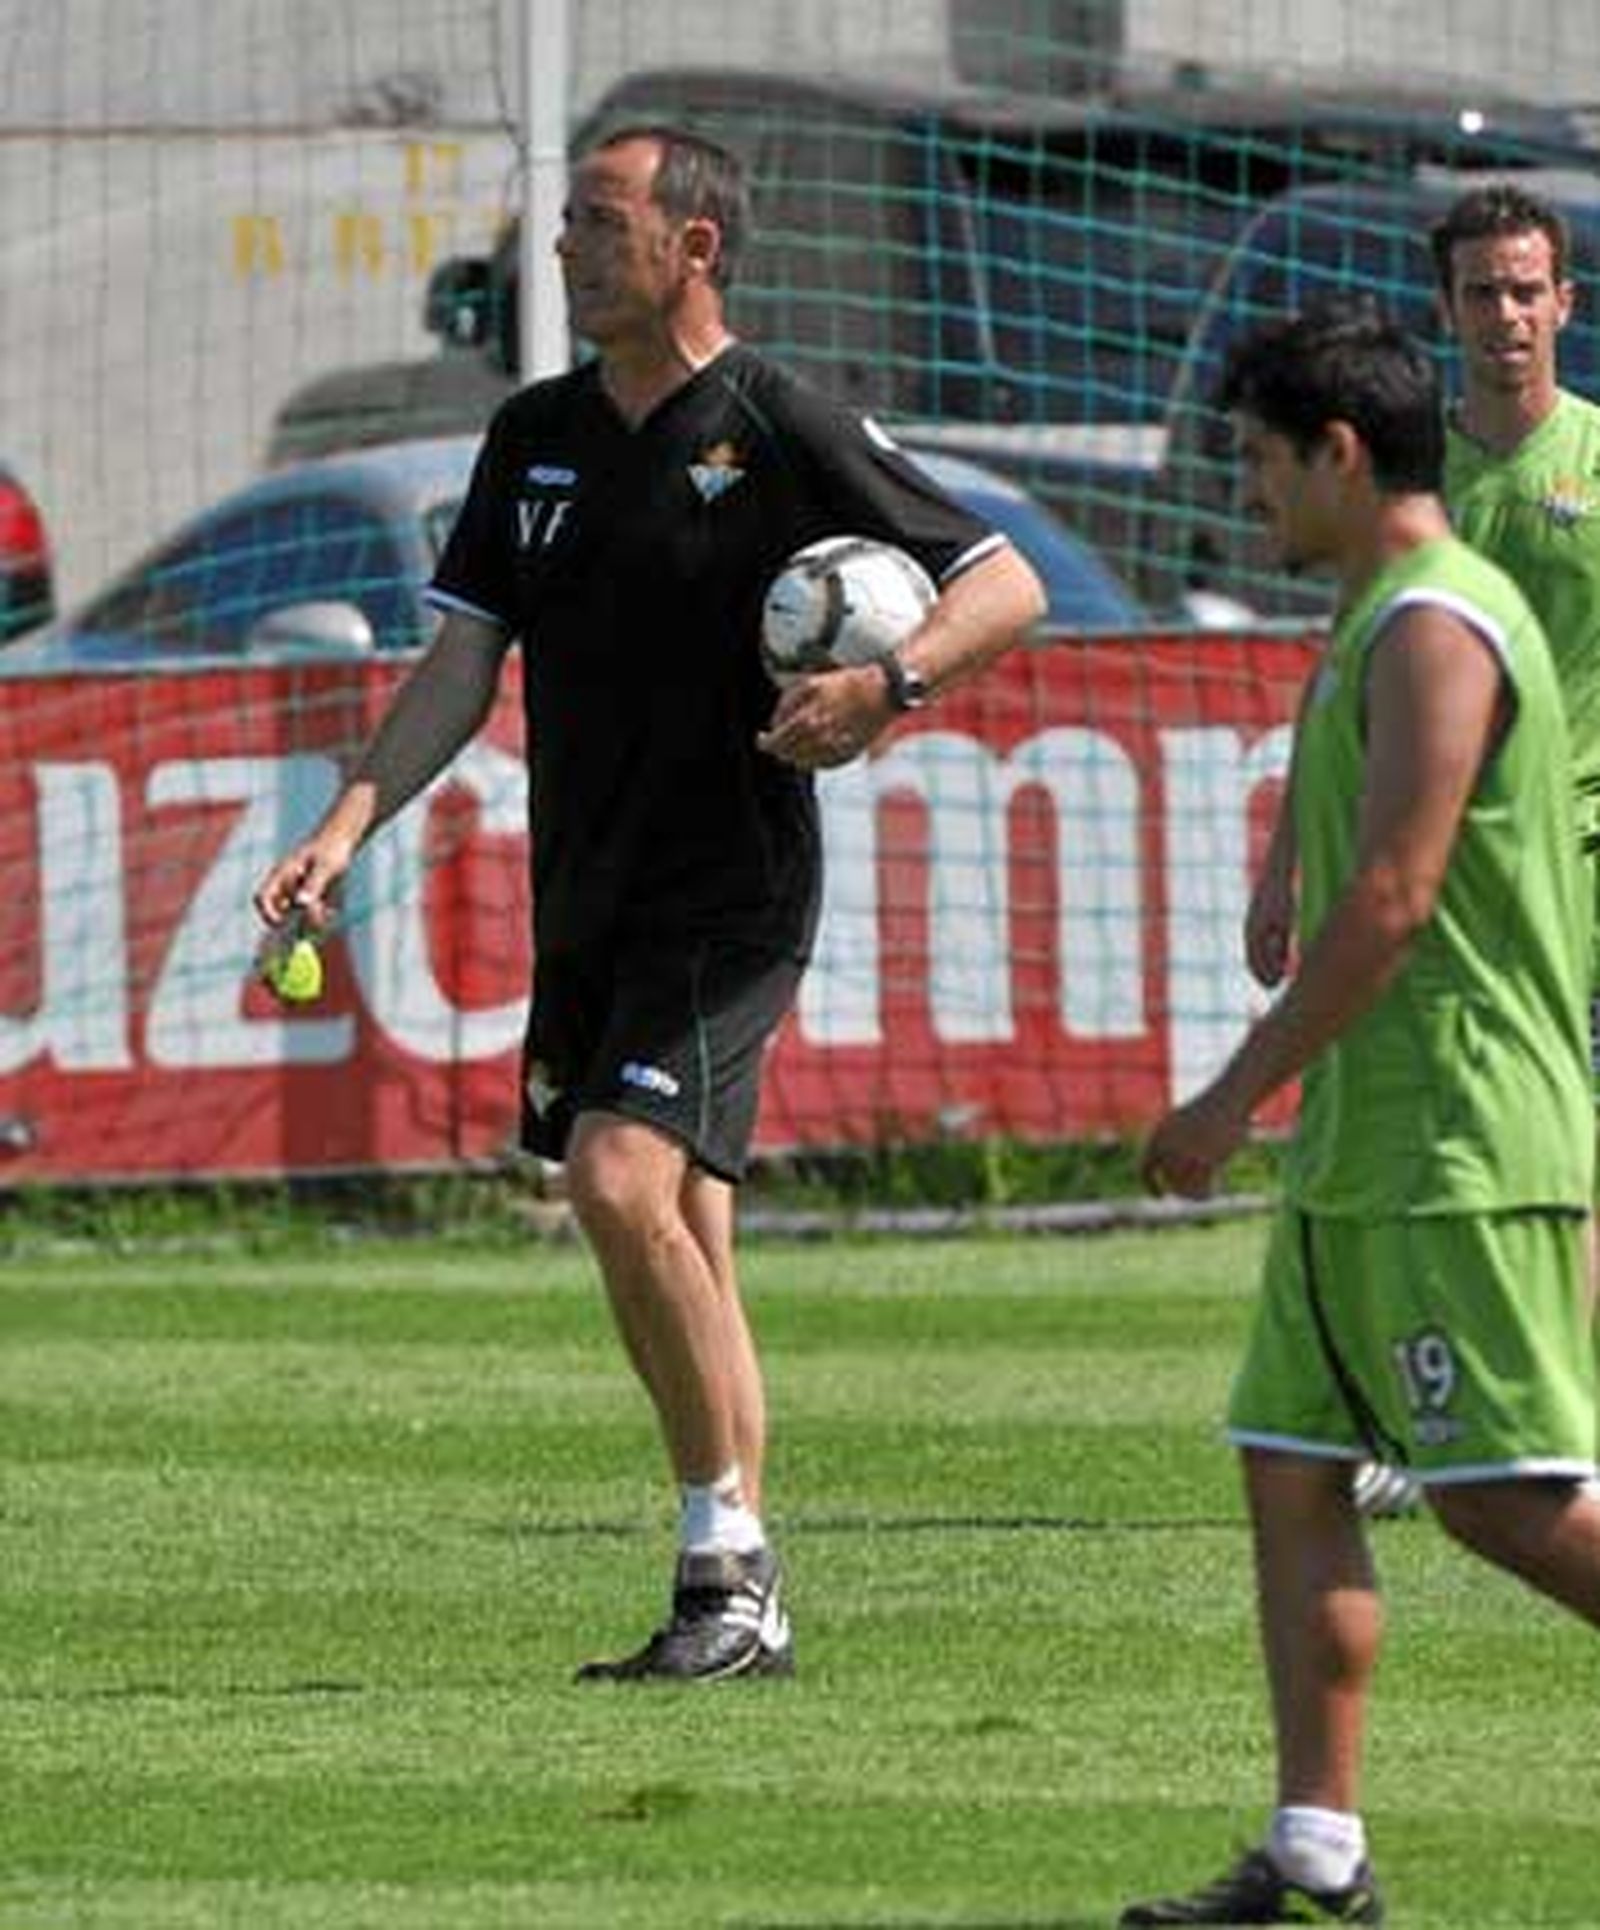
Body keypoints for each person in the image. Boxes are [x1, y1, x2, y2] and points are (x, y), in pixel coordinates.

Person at [253, 124, 1044, 1684]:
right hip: (588, 886)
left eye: (601, 222)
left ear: (694, 247)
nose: (565, 247)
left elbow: (1003, 584)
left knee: (619, 1181)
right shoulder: (532, 436)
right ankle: (741, 1587)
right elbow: (464, 661)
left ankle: (721, 1560)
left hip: (731, 881)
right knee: (681, 1228)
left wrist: (886, 682)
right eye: (564, 222)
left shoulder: (780, 418)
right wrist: (345, 818)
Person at [1122, 304, 1600, 1926]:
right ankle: (1314, 1845)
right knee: (1291, 1460)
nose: (1245, 489)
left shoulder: (1440, 623)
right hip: (1365, 1153)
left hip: (1460, 1135)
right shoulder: (1374, 609)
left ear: (1338, 453)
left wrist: (1224, 1095)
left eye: (1259, 458)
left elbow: (1395, 897)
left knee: (1503, 1499)